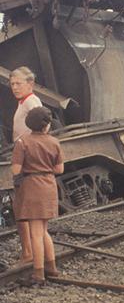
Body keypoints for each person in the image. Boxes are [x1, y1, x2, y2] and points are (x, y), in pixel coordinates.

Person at [11, 106, 63, 283]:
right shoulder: (55, 142)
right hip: (49, 185)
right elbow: (59, 169)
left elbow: (16, 169)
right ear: (47, 125)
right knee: (43, 230)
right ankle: (52, 268)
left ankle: (38, 273)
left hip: (32, 187)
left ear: (28, 124)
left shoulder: (22, 142)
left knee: (35, 233)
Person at [9, 66, 42, 266]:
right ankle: (28, 251)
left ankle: (29, 253)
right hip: (22, 157)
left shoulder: (32, 102)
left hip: (26, 161)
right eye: (12, 84)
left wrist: (27, 147)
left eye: (18, 83)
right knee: (20, 206)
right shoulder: (24, 102)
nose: (14, 87)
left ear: (30, 84)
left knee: (22, 207)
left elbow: (43, 127)